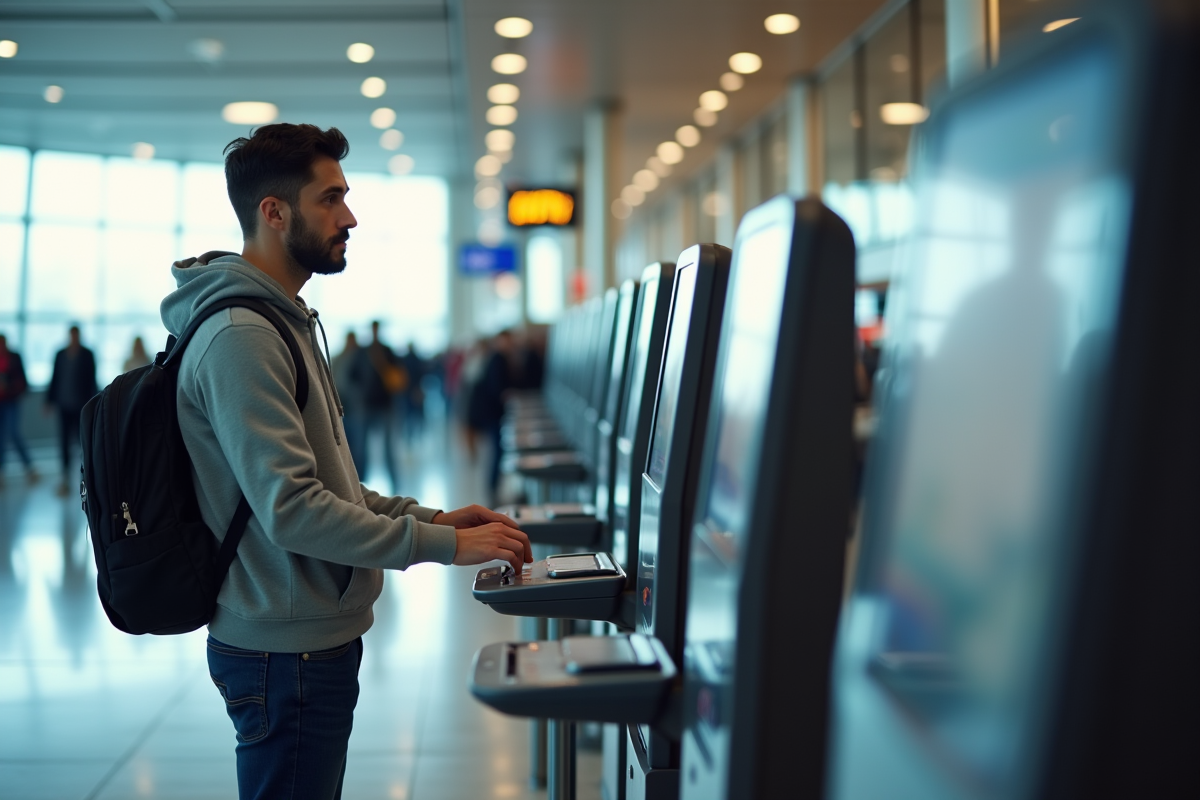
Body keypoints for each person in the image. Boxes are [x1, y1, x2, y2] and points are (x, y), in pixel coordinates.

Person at [158, 123, 531, 800]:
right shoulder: (244, 335)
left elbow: (327, 484)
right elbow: (292, 511)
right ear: (274, 212)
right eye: (330, 199)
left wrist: (431, 515)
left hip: (301, 638)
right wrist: (442, 545)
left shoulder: (282, 320)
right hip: (284, 647)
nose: (349, 216)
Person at [349, 320, 403, 490]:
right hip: (367, 405)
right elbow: (353, 375)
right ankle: (359, 485)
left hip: (385, 404)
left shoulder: (387, 351)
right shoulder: (363, 352)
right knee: (361, 448)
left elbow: (397, 375)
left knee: (388, 449)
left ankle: (395, 485)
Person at [45, 325, 97, 496]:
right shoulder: (60, 354)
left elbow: (92, 380)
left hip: (81, 406)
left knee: (82, 442)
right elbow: (55, 378)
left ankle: (86, 478)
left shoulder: (87, 355)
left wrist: (94, 403)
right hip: (64, 404)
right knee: (64, 442)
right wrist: (49, 400)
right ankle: (65, 479)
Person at [0, 334, 38, 486]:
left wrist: (8, 386)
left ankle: (29, 467)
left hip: (11, 401)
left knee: (13, 433)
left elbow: (22, 381)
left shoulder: (14, 358)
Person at [330, 331, 365, 476]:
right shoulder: (338, 359)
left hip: (356, 406)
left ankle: (358, 475)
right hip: (341, 406)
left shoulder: (360, 359)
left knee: (358, 442)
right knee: (344, 442)